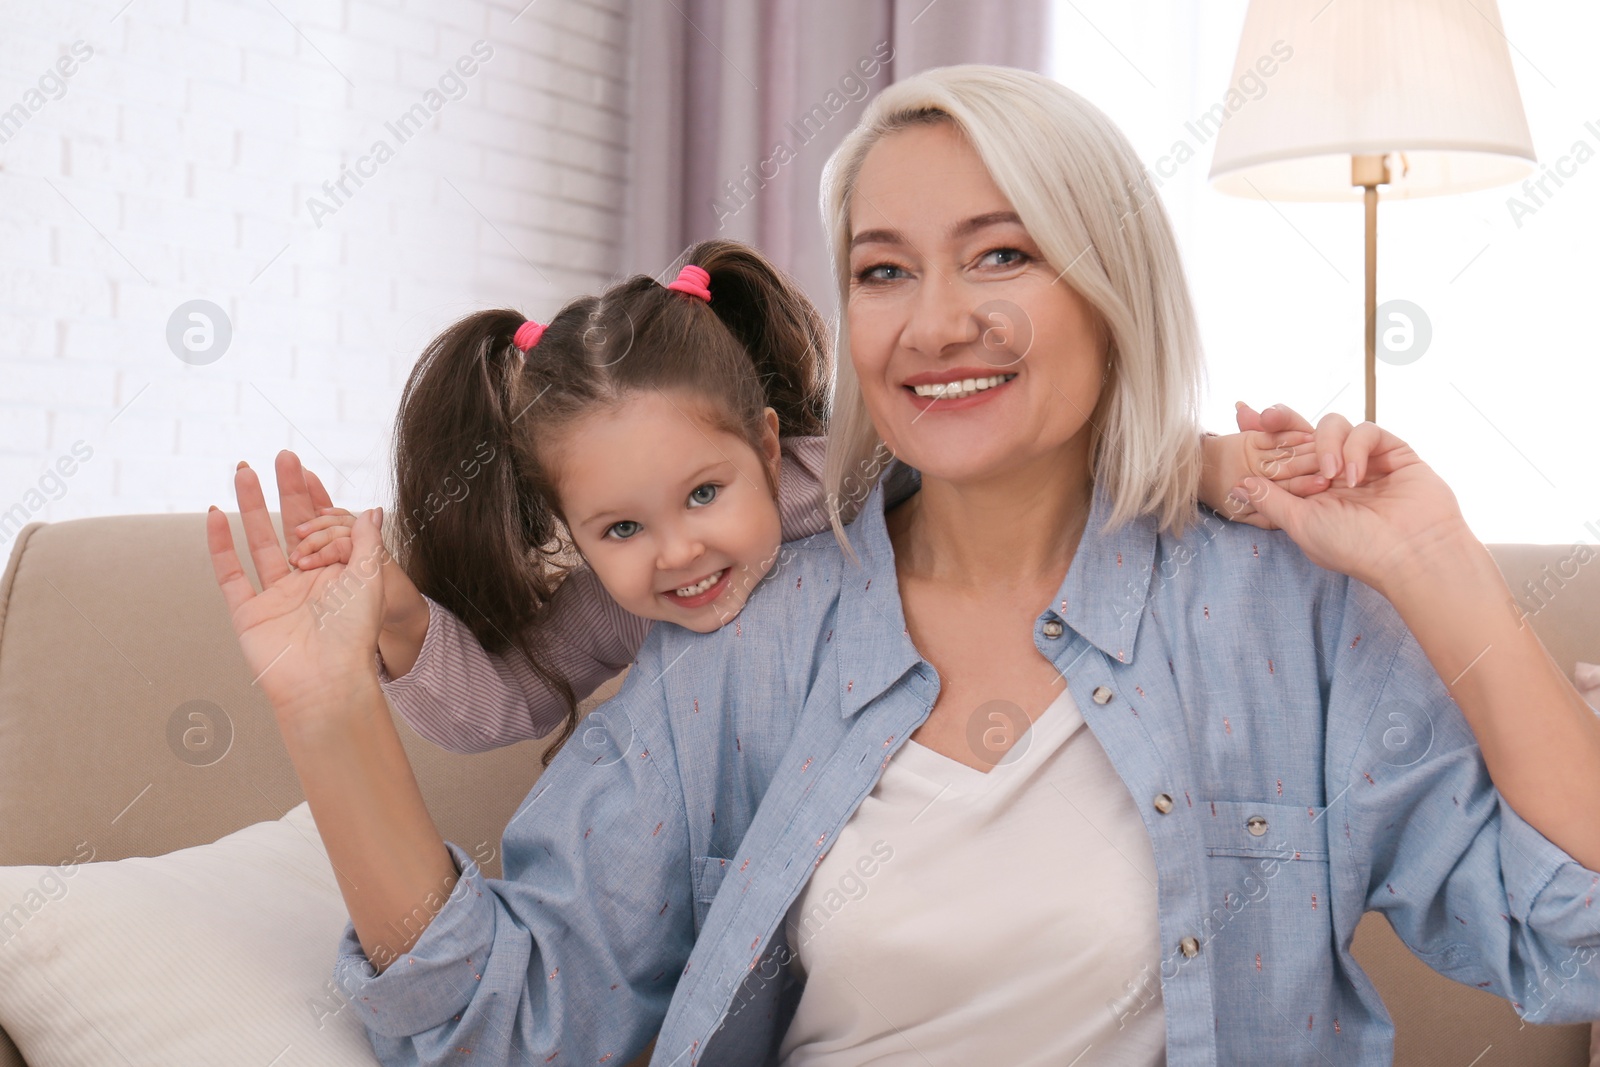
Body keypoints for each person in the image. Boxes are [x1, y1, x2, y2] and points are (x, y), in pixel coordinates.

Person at [205, 65, 1600, 1066]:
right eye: (882, 270)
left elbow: (1573, 936)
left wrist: (1436, 561)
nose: (936, 321)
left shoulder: (1282, 616)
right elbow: (503, 1027)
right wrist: (330, 710)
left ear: (1110, 285)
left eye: (1000, 254)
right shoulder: (737, 640)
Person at [268, 239, 1318, 767]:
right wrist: (398, 617)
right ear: (571, 528)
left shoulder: (865, 468)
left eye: (706, 493)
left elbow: (1039, 460)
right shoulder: (618, 601)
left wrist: (1212, 465)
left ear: (769, 448)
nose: (678, 550)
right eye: (620, 527)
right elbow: (502, 703)